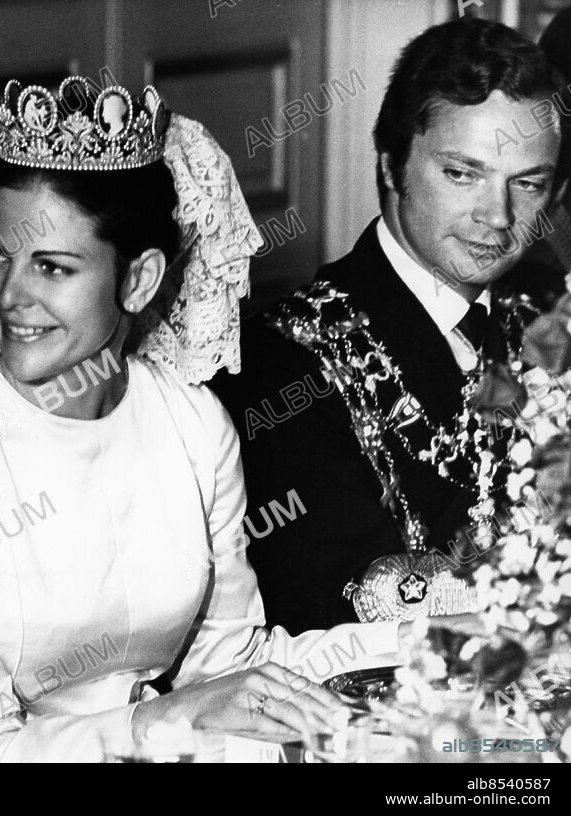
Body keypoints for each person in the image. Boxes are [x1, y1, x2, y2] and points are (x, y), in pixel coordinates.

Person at [0, 76, 405, 763]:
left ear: (138, 280)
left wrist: (434, 636)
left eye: (52, 267)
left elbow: (230, 665)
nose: (10, 297)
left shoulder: (192, 424)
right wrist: (155, 725)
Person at [209, 19, 570, 633]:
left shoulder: (547, 308)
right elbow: (329, 599)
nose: (497, 216)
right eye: (462, 173)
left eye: (526, 184)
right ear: (390, 165)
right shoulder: (285, 354)